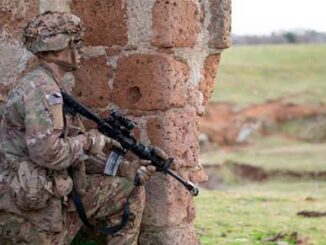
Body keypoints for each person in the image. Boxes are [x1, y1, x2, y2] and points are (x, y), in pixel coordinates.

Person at [0, 11, 164, 245]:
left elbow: (74, 153)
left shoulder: (48, 85)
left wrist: (124, 168)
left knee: (130, 187)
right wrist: (91, 140)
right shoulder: (42, 90)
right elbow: (49, 153)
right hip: (31, 212)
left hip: (51, 195)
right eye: (75, 43)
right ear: (57, 50)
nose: (81, 50)